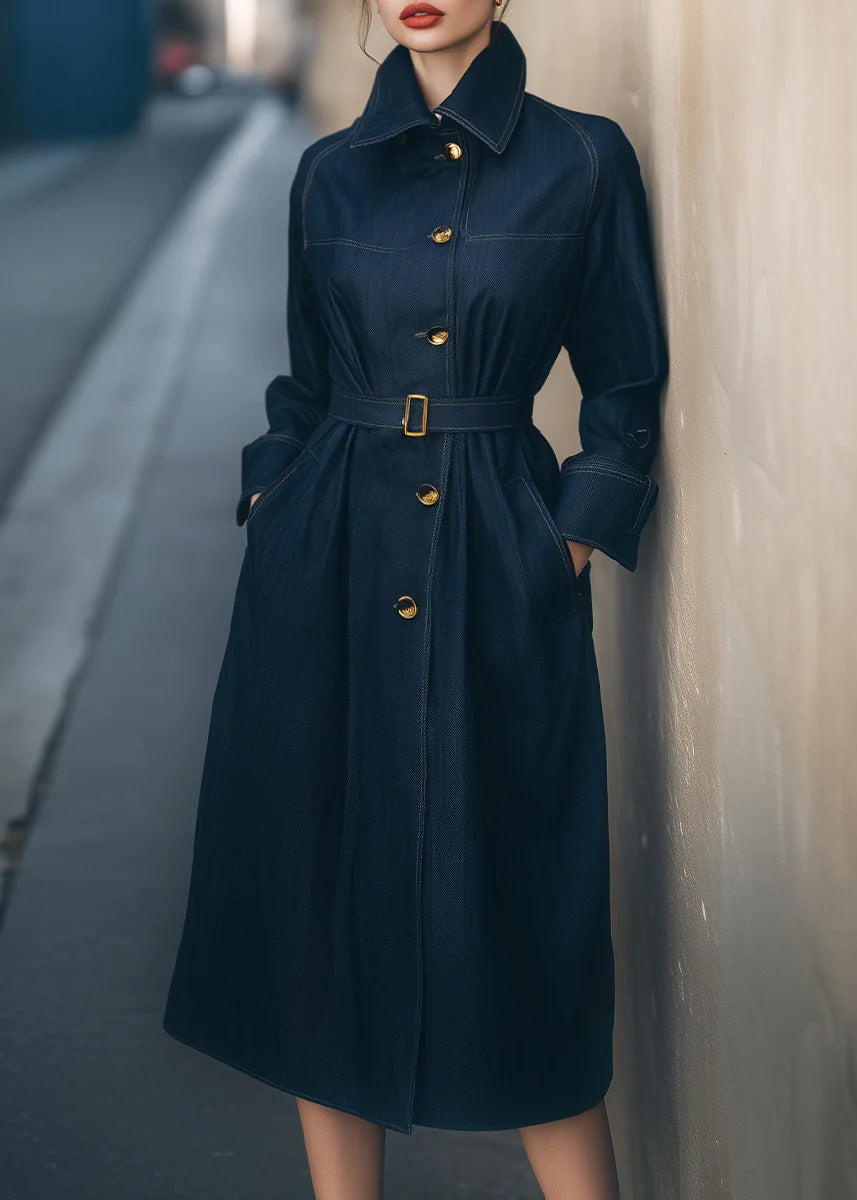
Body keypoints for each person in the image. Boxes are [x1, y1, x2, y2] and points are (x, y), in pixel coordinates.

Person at [163, 2, 668, 1196]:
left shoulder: (584, 157)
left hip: (499, 558)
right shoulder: (325, 174)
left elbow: (627, 387)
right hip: (324, 560)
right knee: (319, 908)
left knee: (527, 921)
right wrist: (271, 496)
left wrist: (568, 544)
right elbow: (305, 378)